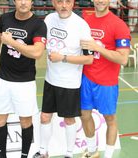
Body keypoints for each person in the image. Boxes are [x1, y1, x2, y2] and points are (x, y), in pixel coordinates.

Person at [33, 0, 94, 158]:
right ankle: (43, 151)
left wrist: (63, 58)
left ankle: (69, 153)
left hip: (69, 83)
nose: (64, 5)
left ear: (73, 3)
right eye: (60, 1)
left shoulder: (81, 26)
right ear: (54, 3)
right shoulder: (49, 19)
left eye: (68, 1)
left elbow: (89, 59)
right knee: (45, 116)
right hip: (50, 79)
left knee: (69, 119)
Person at [0, 0, 47, 157]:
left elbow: (37, 52)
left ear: (32, 1)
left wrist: (12, 42)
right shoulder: (4, 18)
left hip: (25, 82)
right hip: (3, 79)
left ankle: (24, 155)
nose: (23, 2)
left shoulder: (38, 24)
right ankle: (2, 155)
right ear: (14, 1)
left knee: (26, 122)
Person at [80, 0, 131, 158]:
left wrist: (98, 48)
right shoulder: (85, 22)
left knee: (110, 119)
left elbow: (123, 59)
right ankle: (92, 151)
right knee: (84, 115)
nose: (101, 0)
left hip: (107, 82)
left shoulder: (119, 25)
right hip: (86, 77)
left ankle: (108, 156)